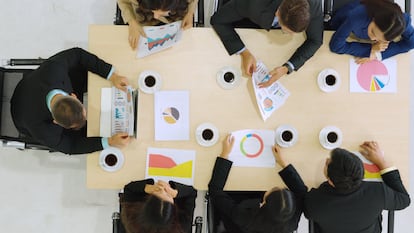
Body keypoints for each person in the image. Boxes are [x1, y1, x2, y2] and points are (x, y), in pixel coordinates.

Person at [10, 48, 131, 155]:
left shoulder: (54, 69)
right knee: (85, 134)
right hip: (21, 117)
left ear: (73, 96)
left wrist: (112, 76)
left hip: (29, 85)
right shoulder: (43, 131)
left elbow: (77, 54)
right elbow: (71, 147)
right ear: (56, 122)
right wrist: (108, 141)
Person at [208, 134, 307, 233]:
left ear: (264, 202)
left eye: (274, 189)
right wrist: (282, 163)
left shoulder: (244, 217)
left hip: (240, 207)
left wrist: (224, 155)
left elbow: (214, 190)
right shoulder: (291, 223)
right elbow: (301, 191)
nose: (279, 186)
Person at [210, 0, 323, 87]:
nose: (291, 36)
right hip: (253, 16)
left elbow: (315, 40)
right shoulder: (252, 4)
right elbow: (218, 20)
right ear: (278, 13)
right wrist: (244, 52)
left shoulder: (313, 4)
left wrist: (287, 68)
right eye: (287, 31)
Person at [304, 141, 411, 233]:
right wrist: (381, 162)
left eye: (327, 163)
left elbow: (305, 204)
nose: (327, 160)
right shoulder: (378, 192)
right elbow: (404, 200)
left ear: (331, 181)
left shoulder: (315, 203)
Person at [329, 0, 414, 64]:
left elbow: (411, 43)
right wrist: (371, 49)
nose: (373, 39)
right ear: (374, 19)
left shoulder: (403, 22)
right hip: (344, 23)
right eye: (373, 32)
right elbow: (336, 46)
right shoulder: (356, 17)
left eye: (381, 39)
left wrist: (377, 55)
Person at [121, 179, 197, 233]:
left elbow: (129, 189)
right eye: (167, 196)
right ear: (173, 211)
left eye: (156, 193)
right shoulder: (182, 226)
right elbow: (192, 192)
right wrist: (175, 192)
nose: (162, 189)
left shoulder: (132, 222)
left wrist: (149, 188)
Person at [117, 0, 199, 49]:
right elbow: (123, 1)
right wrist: (132, 21)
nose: (156, 17)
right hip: (143, 20)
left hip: (175, 20)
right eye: (154, 10)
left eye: (163, 12)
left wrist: (190, 12)